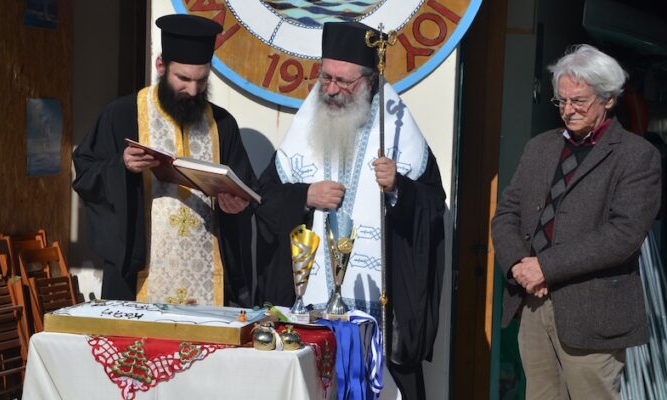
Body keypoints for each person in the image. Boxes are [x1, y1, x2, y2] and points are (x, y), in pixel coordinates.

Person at [256, 21, 446, 399]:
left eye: (344, 82)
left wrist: (399, 188)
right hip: (309, 308)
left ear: (370, 81)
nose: (331, 90)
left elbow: (432, 208)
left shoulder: (396, 127)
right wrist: (305, 195)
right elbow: (265, 200)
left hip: (379, 311)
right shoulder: (307, 121)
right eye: (326, 77)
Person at [492, 44, 662, 399]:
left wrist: (545, 267)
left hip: (593, 313)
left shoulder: (637, 156)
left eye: (579, 101)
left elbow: (623, 234)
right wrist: (518, 265)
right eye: (562, 101)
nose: (568, 110)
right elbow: (507, 213)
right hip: (533, 303)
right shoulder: (539, 147)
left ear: (608, 99)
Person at [73, 14, 256, 307]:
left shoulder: (222, 124)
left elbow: (245, 190)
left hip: (207, 279)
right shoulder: (121, 115)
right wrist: (122, 167)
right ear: (161, 66)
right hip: (140, 277)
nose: (193, 91)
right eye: (183, 79)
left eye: (201, 80)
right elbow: (86, 175)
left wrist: (234, 206)